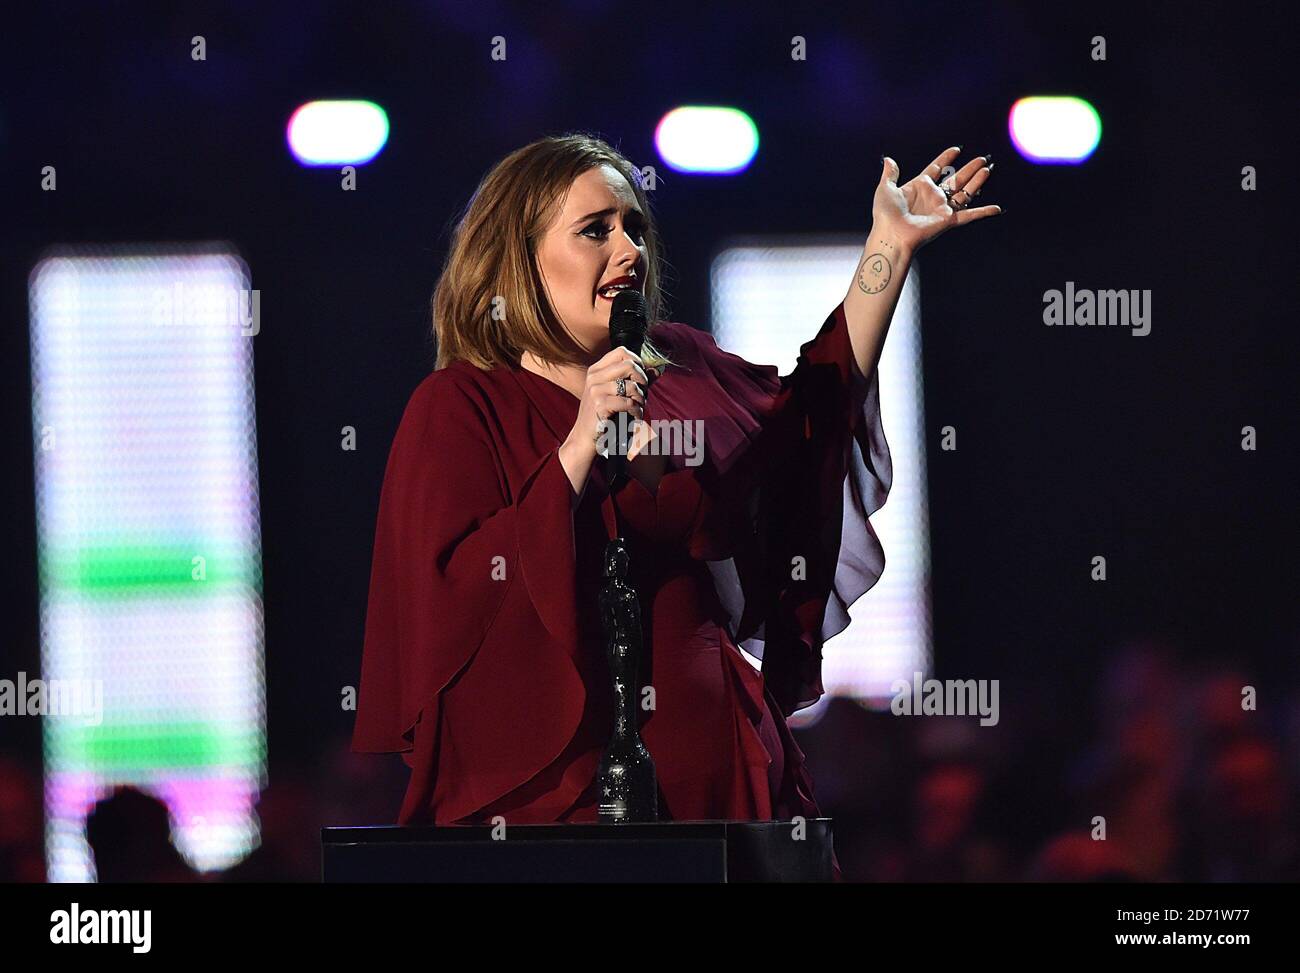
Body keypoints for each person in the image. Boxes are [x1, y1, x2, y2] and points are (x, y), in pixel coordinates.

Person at [351, 133, 1000, 879]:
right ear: (517, 257)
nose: (628, 250)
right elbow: (447, 602)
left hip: (717, 773)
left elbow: (807, 429)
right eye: (596, 230)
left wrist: (887, 251)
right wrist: (577, 450)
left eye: (635, 229)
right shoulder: (462, 405)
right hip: (556, 795)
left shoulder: (680, 368)